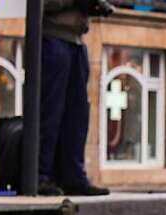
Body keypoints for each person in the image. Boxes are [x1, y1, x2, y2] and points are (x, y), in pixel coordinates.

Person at [39, 0, 113, 196]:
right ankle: (40, 175)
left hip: (76, 41)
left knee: (77, 116)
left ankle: (73, 176)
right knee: (50, 112)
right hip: (52, 37)